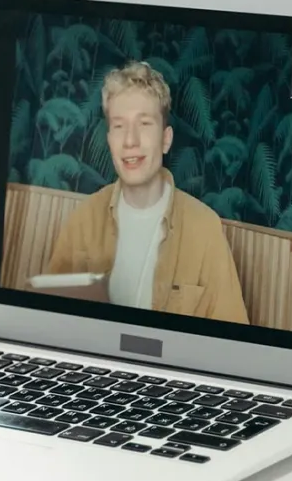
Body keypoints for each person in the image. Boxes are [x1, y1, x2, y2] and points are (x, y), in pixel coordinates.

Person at [46, 62, 250, 324]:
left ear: (166, 140)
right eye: (119, 126)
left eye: (143, 124)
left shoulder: (206, 228)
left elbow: (229, 338)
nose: (130, 140)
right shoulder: (82, 220)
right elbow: (51, 323)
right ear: (109, 140)